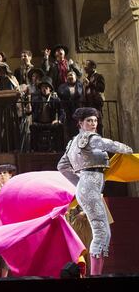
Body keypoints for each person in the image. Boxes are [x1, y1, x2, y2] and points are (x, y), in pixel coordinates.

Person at [57, 107, 133, 275]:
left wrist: (79, 183)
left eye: (95, 120)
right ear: (80, 123)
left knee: (102, 231)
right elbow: (107, 144)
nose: (93, 124)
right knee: (101, 231)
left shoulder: (72, 143)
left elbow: (62, 166)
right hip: (90, 186)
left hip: (88, 186)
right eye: (89, 121)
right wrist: (128, 150)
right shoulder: (88, 137)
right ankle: (96, 276)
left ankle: (96, 275)